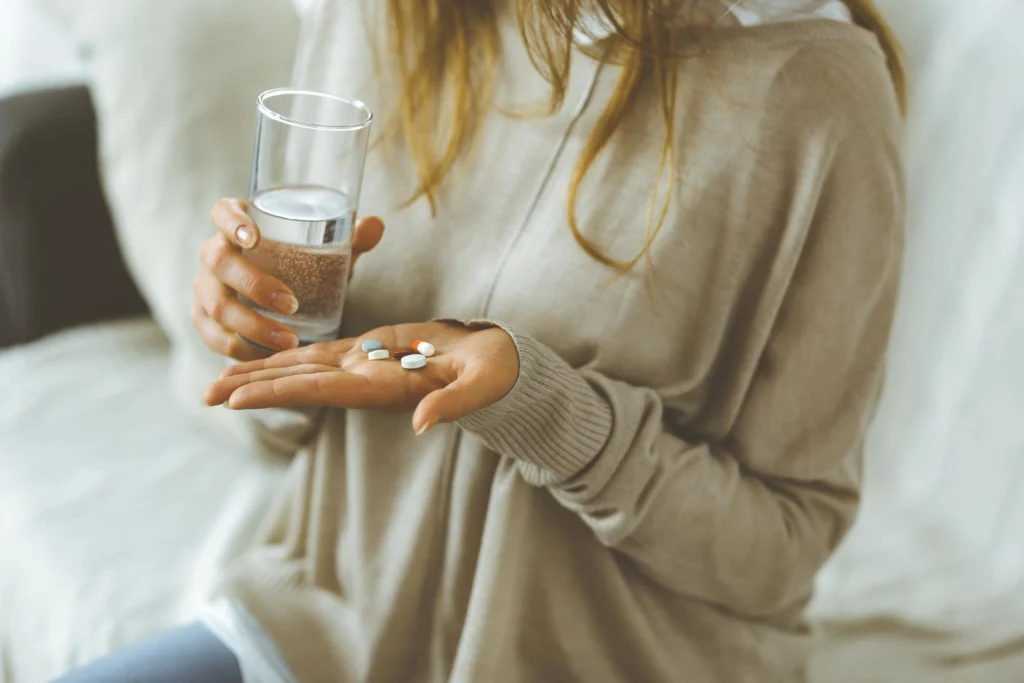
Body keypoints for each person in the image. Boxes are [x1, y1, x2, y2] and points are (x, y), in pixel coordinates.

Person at [56, 0, 905, 681]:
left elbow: (782, 548)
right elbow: (296, 429)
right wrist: (260, 341)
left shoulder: (818, 95)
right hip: (321, 626)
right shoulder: (391, 16)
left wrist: (548, 413)